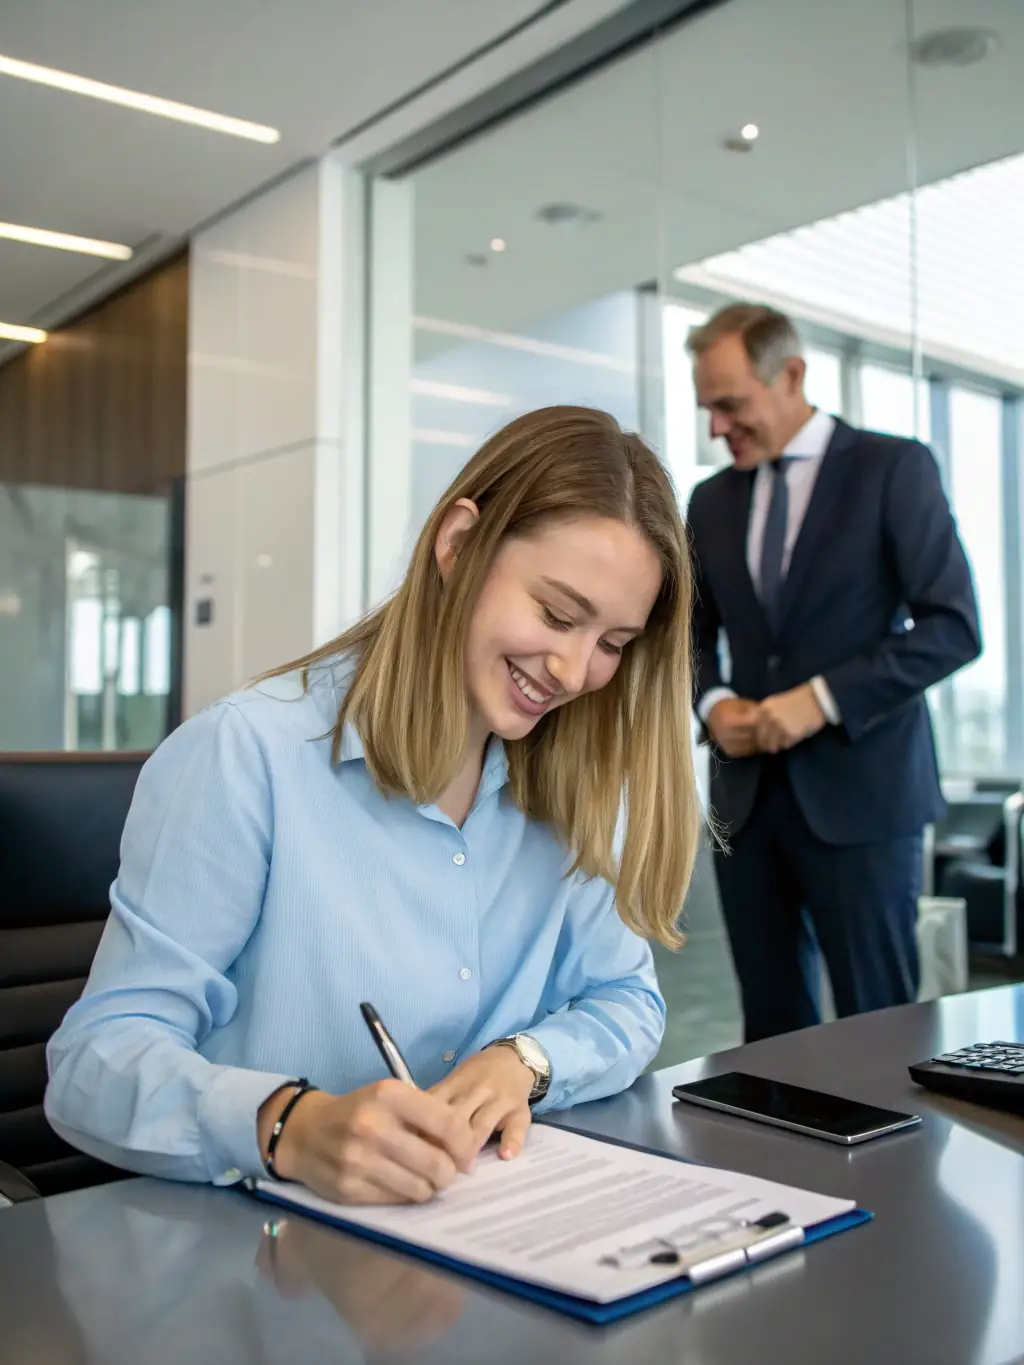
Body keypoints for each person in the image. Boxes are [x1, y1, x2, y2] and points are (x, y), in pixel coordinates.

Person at [46, 405, 701, 1206]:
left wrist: (525, 1059)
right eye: (557, 615)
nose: (572, 669)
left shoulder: (574, 783)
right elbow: (94, 1062)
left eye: (612, 644)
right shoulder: (248, 755)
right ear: (459, 544)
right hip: (262, 1268)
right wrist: (288, 1124)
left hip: (482, 1249)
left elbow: (627, 999)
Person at [685, 304, 980, 1042]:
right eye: (708, 409)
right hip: (746, 802)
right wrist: (715, 702)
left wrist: (820, 700)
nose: (717, 428)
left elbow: (953, 625)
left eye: (730, 405)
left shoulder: (893, 467)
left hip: (864, 797)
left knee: (879, 1028)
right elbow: (687, 637)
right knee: (771, 1028)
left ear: (790, 375)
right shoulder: (710, 500)